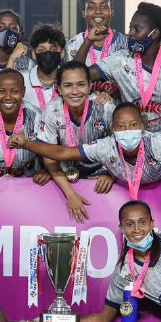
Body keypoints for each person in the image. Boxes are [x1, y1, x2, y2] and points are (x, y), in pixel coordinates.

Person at [9, 103, 161, 198]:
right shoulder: (105, 146)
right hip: (131, 196)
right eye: (121, 126)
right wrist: (25, 143)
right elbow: (63, 153)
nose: (128, 130)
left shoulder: (157, 142)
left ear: (142, 126)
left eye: (133, 125)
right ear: (113, 130)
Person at [77, 2, 161, 135]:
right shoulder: (121, 59)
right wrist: (88, 41)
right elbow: (77, 75)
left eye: (137, 29)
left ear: (154, 34)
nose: (130, 33)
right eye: (130, 28)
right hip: (132, 141)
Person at [37, 61, 116, 223]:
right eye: (68, 85)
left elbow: (121, 145)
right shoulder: (52, 110)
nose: (75, 91)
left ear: (90, 86)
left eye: (81, 85)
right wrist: (70, 193)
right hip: (64, 176)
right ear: (58, 88)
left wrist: (112, 174)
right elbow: (48, 154)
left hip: (100, 178)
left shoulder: (105, 107)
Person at [64, 0, 129, 97]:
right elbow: (71, 79)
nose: (98, 11)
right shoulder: (72, 45)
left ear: (112, 11)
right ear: (83, 12)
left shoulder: (126, 43)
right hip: (83, 113)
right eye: (91, 7)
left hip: (117, 113)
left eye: (104, 6)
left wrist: (114, 95)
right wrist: (88, 41)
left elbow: (134, 84)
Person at [22, 24, 65, 110]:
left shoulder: (70, 80)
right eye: (42, 50)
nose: (48, 54)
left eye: (53, 50)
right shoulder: (22, 80)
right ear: (34, 54)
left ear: (62, 53)